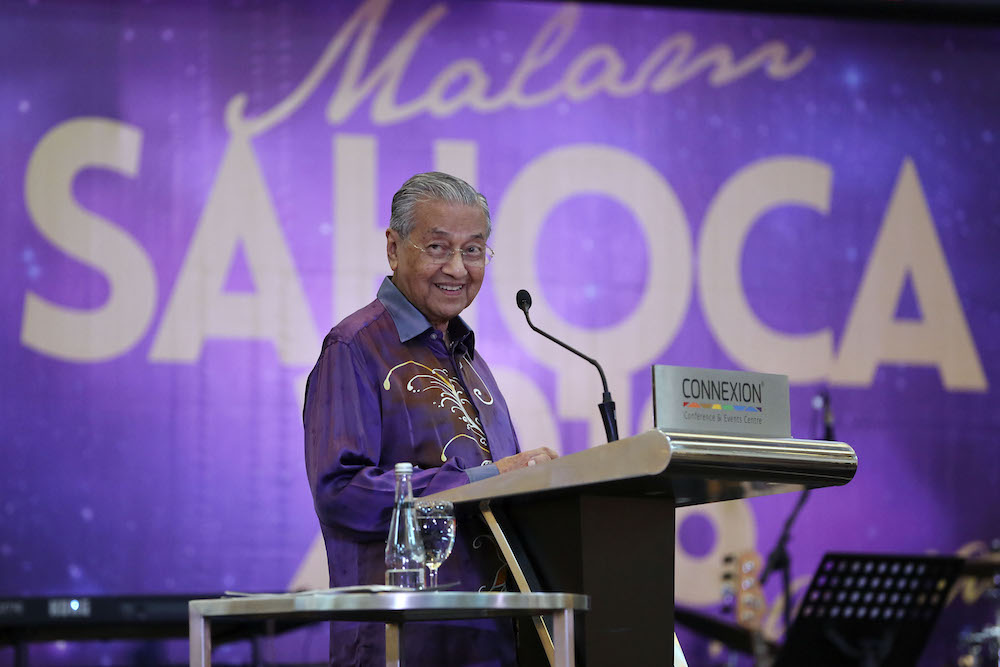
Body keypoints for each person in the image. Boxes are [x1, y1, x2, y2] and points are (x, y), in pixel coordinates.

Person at [303, 171, 558, 666]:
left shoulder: (468, 358)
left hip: (493, 640)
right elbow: (340, 491)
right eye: (438, 247)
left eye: (473, 250)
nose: (458, 269)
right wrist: (484, 480)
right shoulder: (354, 348)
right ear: (394, 249)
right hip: (403, 643)